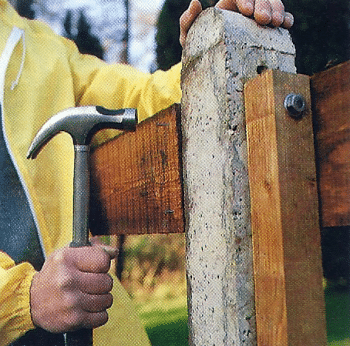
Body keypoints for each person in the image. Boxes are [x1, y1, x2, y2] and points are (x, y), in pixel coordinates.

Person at [0, 0, 293, 345]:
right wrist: (24, 300)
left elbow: (141, 101)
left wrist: (210, 45)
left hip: (95, 331)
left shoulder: (40, 49)